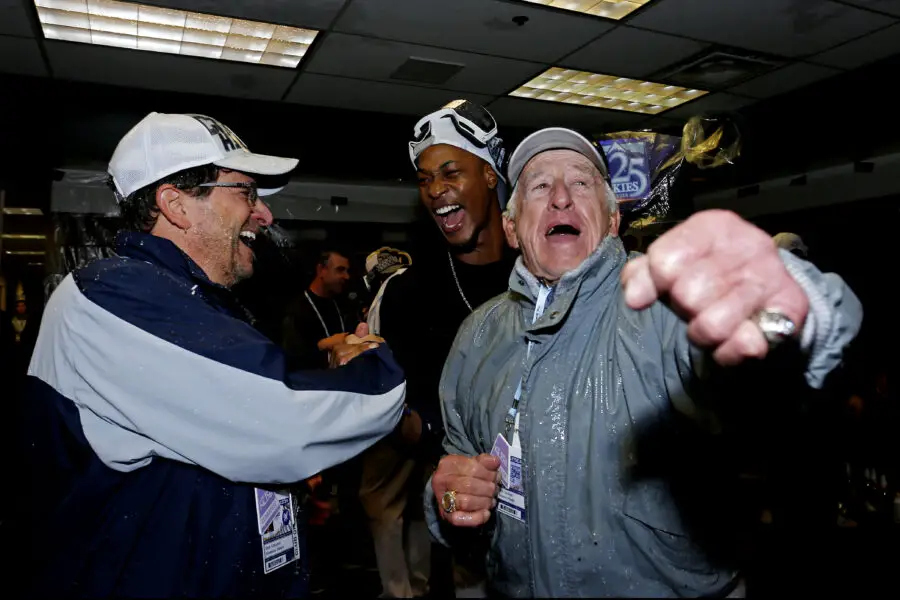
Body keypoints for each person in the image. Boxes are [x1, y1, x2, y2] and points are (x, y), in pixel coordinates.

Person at [426, 127, 862, 597]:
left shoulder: (658, 306)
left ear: (612, 220)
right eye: (538, 186)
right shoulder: (478, 336)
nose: (559, 199)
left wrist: (788, 305)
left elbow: (760, 363)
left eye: (580, 183)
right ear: (512, 228)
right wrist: (447, 499)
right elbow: (458, 467)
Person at [19, 112, 406, 598]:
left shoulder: (186, 299)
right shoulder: (112, 295)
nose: (263, 214)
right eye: (245, 191)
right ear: (176, 204)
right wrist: (373, 362)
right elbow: (284, 420)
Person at [360, 100, 517, 598]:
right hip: (474, 517)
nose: (435, 190)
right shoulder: (411, 293)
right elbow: (424, 419)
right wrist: (374, 403)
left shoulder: (544, 267)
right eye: (425, 178)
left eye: (451, 172)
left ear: (490, 175)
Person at [282, 249, 353, 371]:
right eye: (340, 270)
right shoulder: (297, 310)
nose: (347, 276)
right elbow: (292, 359)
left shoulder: (343, 304)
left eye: (347, 271)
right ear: (321, 270)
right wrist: (322, 345)